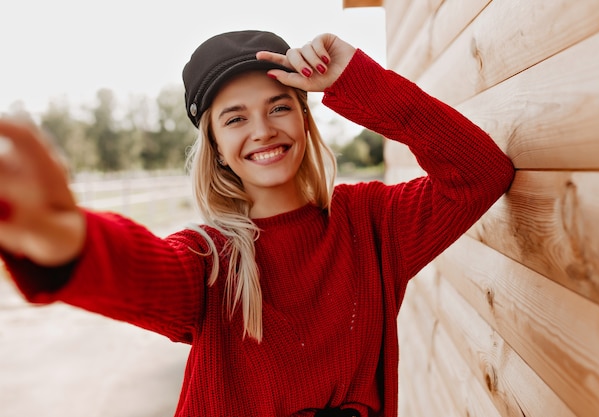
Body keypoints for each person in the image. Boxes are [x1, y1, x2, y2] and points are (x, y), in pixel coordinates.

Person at [0, 30, 515, 417]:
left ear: (305, 119)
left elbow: (479, 173)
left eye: (279, 107)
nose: (264, 131)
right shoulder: (208, 258)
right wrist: (57, 234)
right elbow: (138, 269)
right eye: (235, 117)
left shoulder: (373, 224)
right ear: (218, 149)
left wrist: (357, 79)